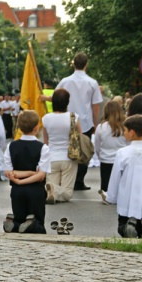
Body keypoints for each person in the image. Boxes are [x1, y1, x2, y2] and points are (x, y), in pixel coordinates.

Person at [41, 52, 103, 191]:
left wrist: (44, 98)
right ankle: (78, 180)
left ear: (73, 64)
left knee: (64, 147)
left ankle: (65, 177)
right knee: (82, 150)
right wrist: (95, 123)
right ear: (86, 65)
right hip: (85, 121)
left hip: (65, 117)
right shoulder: (92, 82)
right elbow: (95, 106)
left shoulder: (65, 81)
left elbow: (56, 96)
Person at [104, 115, 142, 238]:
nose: (123, 133)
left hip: (127, 199)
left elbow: (116, 177)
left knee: (122, 226)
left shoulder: (123, 153)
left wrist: (112, 197)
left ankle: (128, 227)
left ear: (131, 132)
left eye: (125, 130)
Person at [3, 110, 50, 234]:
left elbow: (8, 172)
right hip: (36, 190)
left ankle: (14, 224)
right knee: (39, 224)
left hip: (16, 192)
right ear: (36, 128)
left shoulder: (11, 146)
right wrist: (33, 173)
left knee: (20, 217)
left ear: (18, 126)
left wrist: (18, 181)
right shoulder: (43, 148)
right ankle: (32, 225)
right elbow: (41, 175)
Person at [42, 89, 80, 204]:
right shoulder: (74, 117)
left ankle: (52, 190)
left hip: (52, 157)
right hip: (69, 158)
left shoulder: (46, 118)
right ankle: (54, 191)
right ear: (67, 102)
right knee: (67, 193)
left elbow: (46, 141)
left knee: (51, 186)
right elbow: (80, 137)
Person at [95, 100, 127, 193]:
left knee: (106, 187)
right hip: (121, 159)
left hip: (106, 160)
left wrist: (99, 155)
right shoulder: (125, 126)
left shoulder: (101, 127)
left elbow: (97, 145)